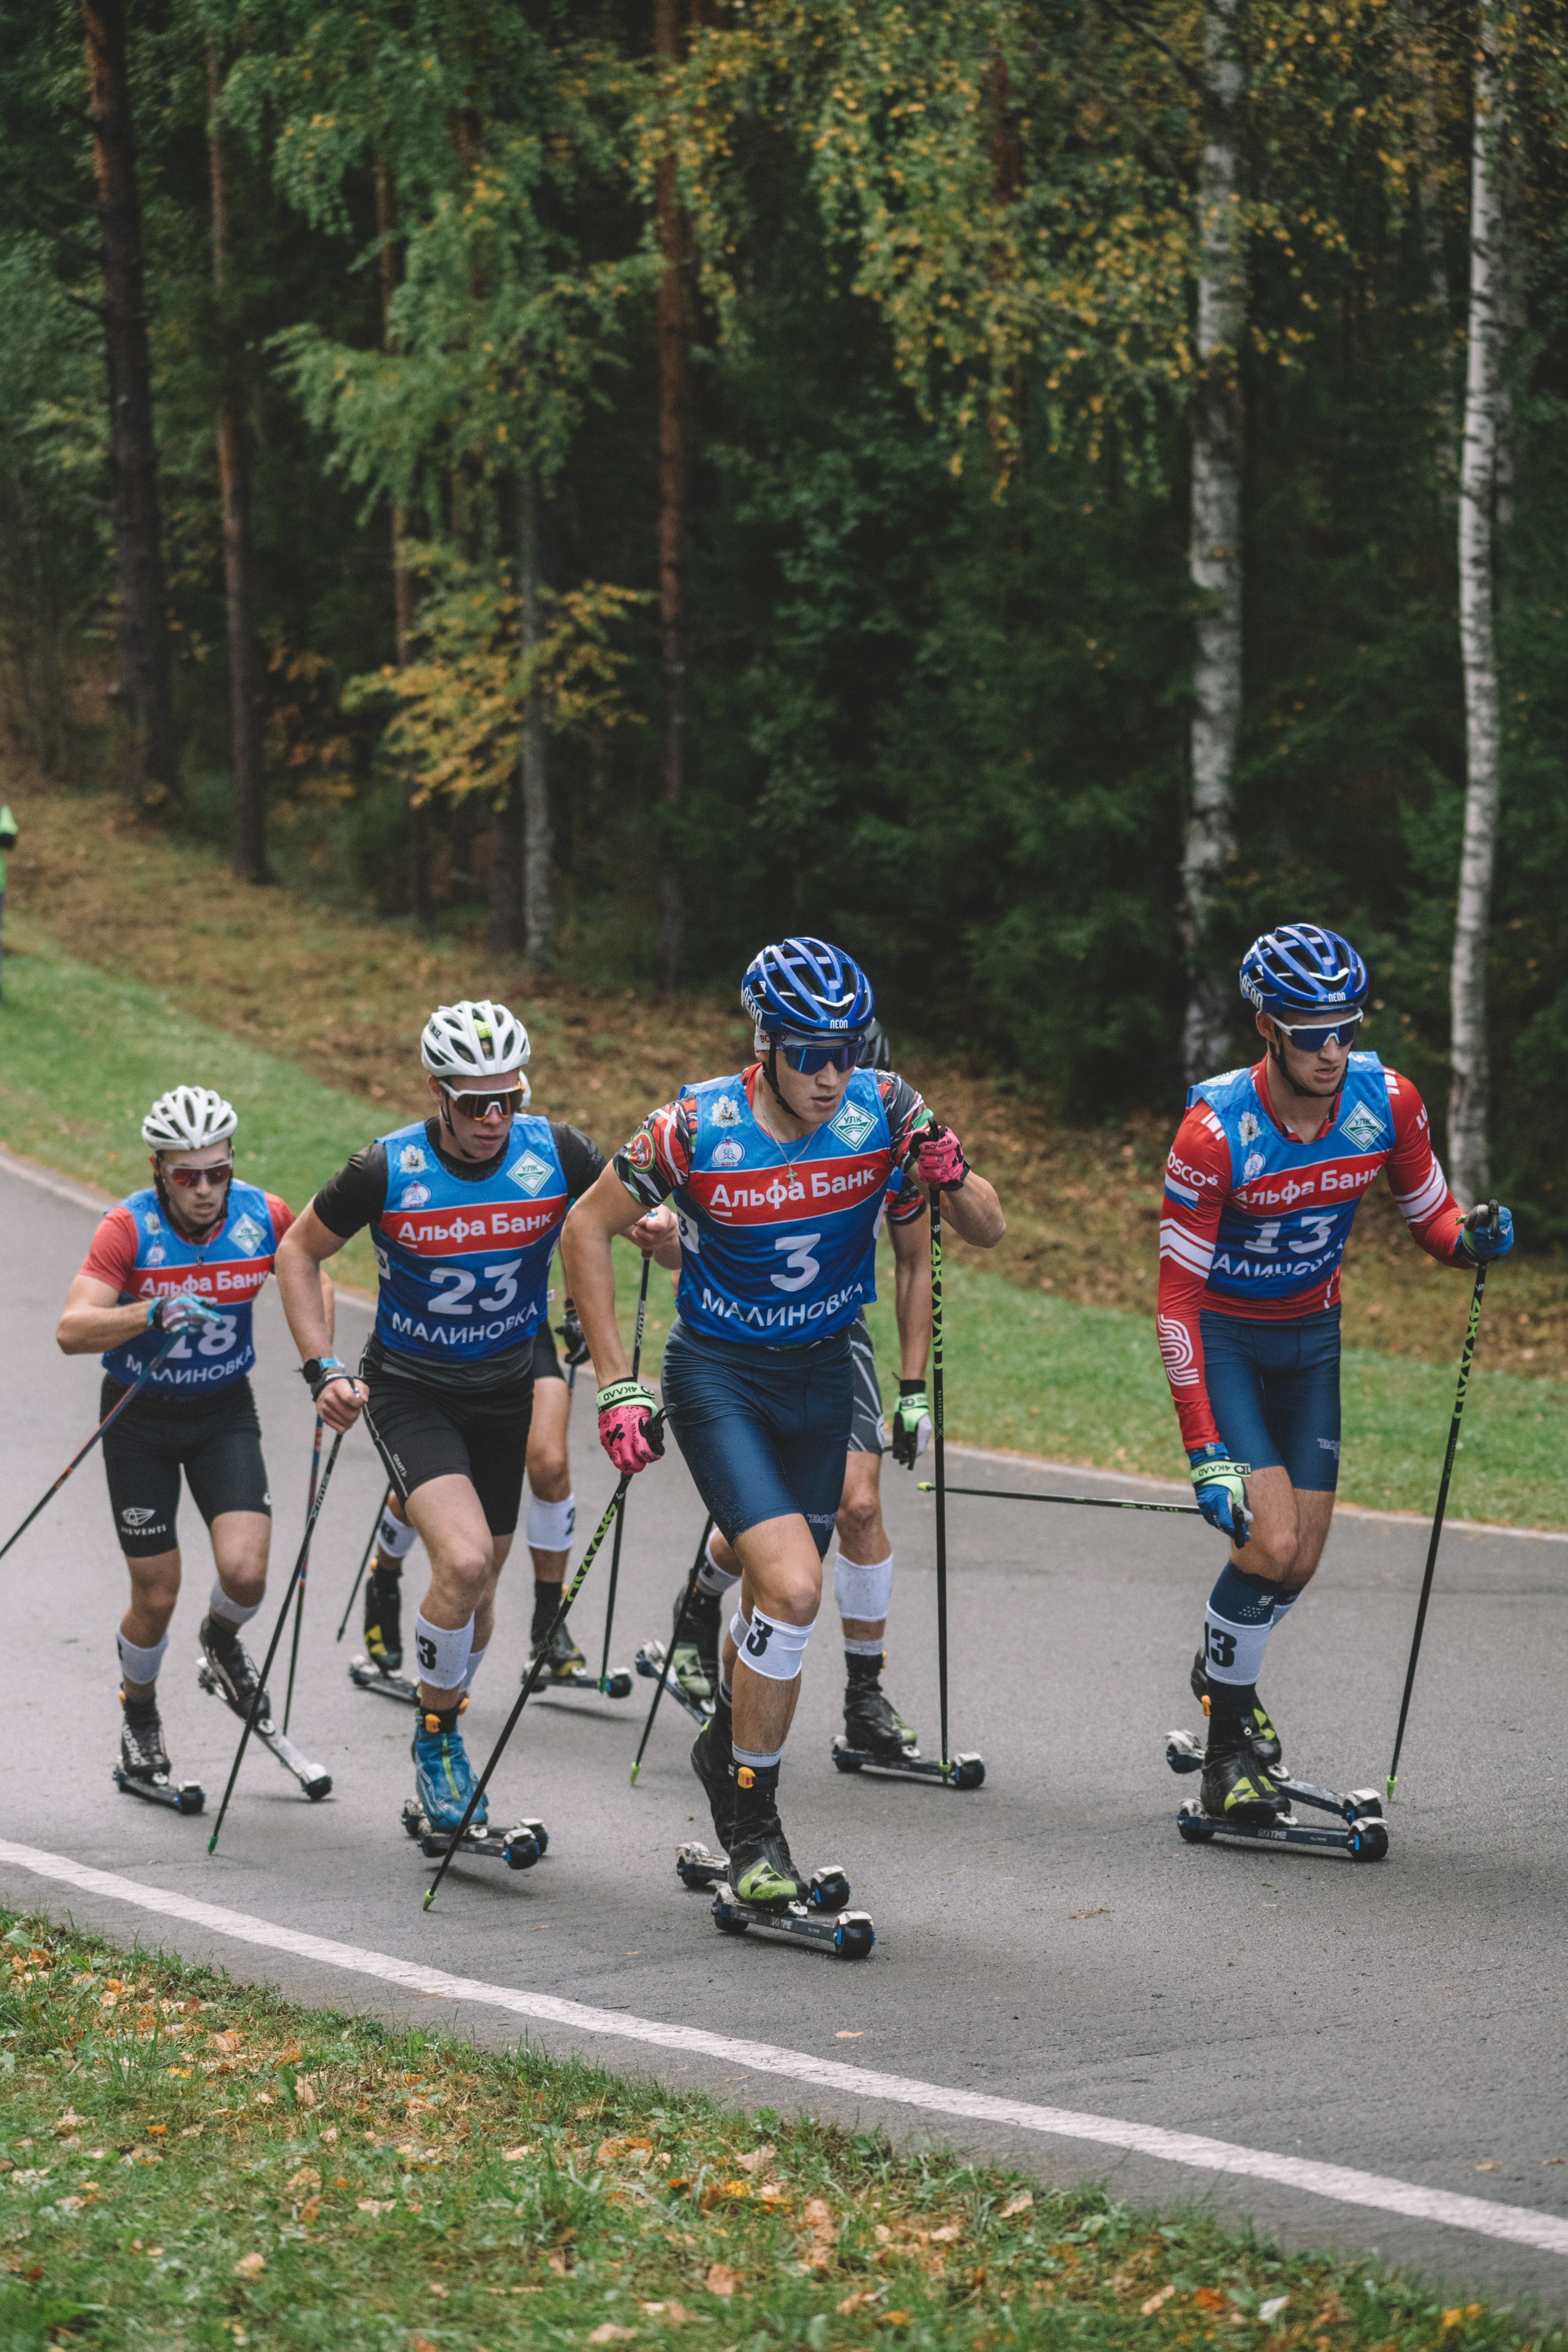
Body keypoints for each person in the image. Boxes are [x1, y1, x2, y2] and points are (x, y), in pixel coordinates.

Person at [562, 937, 1006, 1910]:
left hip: (820, 1378)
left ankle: (725, 1749)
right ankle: (756, 1831)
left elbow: (982, 1229)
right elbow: (584, 1227)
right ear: (764, 1046)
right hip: (720, 1376)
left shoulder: (885, 1108)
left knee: (773, 1601)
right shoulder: (694, 1125)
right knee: (799, 1590)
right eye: (809, 1055)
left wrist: (955, 1171)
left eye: (845, 1053)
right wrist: (615, 1384)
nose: (831, 1075)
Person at [1158, 924, 1515, 1824]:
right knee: (1268, 1543)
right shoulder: (1213, 1133)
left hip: (1312, 1339)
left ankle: (1220, 1668)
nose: (1333, 1050)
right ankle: (1226, 1760)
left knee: (1301, 1559)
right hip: (1227, 1338)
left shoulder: (1386, 1101)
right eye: (1312, 1033)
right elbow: (1175, 1302)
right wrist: (1204, 1452)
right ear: (1267, 1028)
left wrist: (1470, 1239)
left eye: (1347, 1030)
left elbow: (1431, 1218)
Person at [273, 999, 657, 1836]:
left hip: (506, 1387)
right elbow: (297, 1251)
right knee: (466, 1559)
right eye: (476, 1102)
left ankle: (444, 1712)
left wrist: (655, 1227)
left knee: (478, 1592)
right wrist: (321, 1367)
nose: (494, 1118)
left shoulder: (556, 1151)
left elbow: (619, 1218)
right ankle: (438, 1741)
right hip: (411, 1387)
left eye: (508, 1099)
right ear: (438, 1095)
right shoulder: (386, 1167)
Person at [664, 1015, 937, 1760]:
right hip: (741, 1342)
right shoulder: (739, 1134)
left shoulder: (886, 1136)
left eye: (849, 1069)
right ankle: (701, 1603)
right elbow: (695, 1235)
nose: (833, 1086)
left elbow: (918, 1261)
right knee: (776, 1540)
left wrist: (915, 1388)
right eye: (817, 1064)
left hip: (833, 1332)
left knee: (858, 1505)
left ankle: (863, 1694)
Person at [54, 1086, 322, 1801]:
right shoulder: (128, 1229)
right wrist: (149, 1312)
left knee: (246, 1573)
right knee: (157, 1592)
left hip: (222, 1410)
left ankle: (221, 1640)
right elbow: (72, 1330)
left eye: (217, 1172)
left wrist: (322, 1365)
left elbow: (311, 1277)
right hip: (138, 1417)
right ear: (159, 1172)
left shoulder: (264, 1216)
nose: (204, 1190)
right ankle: (139, 1715)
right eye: (187, 1176)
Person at [355, 1289, 594, 1692]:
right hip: (437, 1340)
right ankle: (384, 1580)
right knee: (435, 1489)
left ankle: (548, 1623)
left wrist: (577, 1308)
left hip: (518, 1330)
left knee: (551, 1464)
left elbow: (585, 1245)